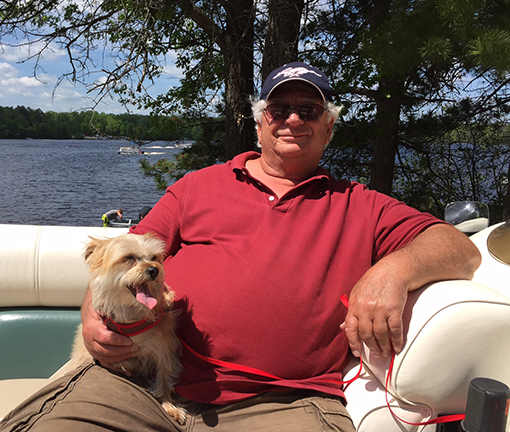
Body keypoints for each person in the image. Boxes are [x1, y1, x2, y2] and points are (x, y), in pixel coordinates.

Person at [1, 62, 481, 432]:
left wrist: (391, 271)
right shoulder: (196, 187)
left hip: (285, 404)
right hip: (139, 384)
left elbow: (459, 248)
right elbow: (120, 256)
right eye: (278, 109)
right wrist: (91, 314)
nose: (292, 118)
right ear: (259, 123)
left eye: (309, 110)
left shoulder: (362, 204)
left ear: (329, 127)